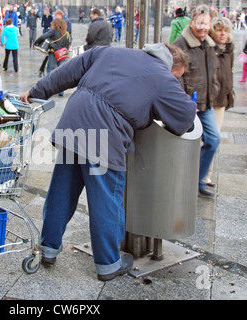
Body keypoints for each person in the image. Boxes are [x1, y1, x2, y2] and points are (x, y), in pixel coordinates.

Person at [19, 43, 196, 281]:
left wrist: (36, 91)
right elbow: (184, 119)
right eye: (177, 77)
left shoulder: (111, 51)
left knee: (62, 191)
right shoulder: (163, 77)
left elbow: (68, 71)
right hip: (105, 136)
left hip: (74, 123)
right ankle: (109, 264)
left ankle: (48, 249)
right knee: (106, 200)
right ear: (171, 65)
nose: (175, 82)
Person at [173, 5, 221, 198]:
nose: (202, 27)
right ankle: (181, 180)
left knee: (213, 139)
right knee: (183, 145)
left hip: (206, 102)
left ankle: (197, 180)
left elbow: (214, 71)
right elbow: (176, 76)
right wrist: (184, 102)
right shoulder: (181, 43)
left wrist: (215, 89)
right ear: (192, 22)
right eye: (199, 22)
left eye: (206, 23)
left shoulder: (209, 43)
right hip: (189, 105)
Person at [202, 17, 235, 187]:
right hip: (207, 100)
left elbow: (228, 72)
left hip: (221, 100)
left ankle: (206, 174)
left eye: (226, 30)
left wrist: (230, 92)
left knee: (214, 139)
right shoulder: (208, 48)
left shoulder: (228, 49)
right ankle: (200, 174)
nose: (223, 34)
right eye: (219, 30)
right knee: (209, 139)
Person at [34, 17, 70, 82]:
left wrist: (36, 43)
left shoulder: (53, 31)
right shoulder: (66, 33)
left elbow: (43, 37)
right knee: (61, 72)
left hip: (54, 54)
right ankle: (61, 91)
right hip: (63, 55)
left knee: (50, 70)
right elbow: (68, 45)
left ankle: (51, 87)